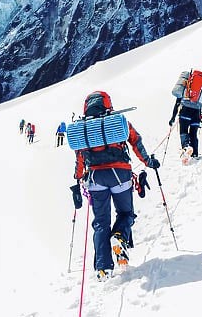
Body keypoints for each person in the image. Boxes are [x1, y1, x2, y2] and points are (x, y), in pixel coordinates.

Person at [72, 91, 159, 281]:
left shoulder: (83, 129)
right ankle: (119, 236)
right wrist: (148, 162)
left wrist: (78, 178)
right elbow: (135, 141)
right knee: (126, 213)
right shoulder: (117, 122)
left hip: (95, 178)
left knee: (101, 222)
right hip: (120, 175)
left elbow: (79, 157)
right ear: (107, 104)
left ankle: (103, 268)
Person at [169, 82, 202, 160]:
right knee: (193, 134)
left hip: (185, 113)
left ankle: (186, 148)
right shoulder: (200, 89)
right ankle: (194, 155)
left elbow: (177, 103)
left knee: (183, 132)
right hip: (196, 114)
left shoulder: (185, 88)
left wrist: (173, 118)